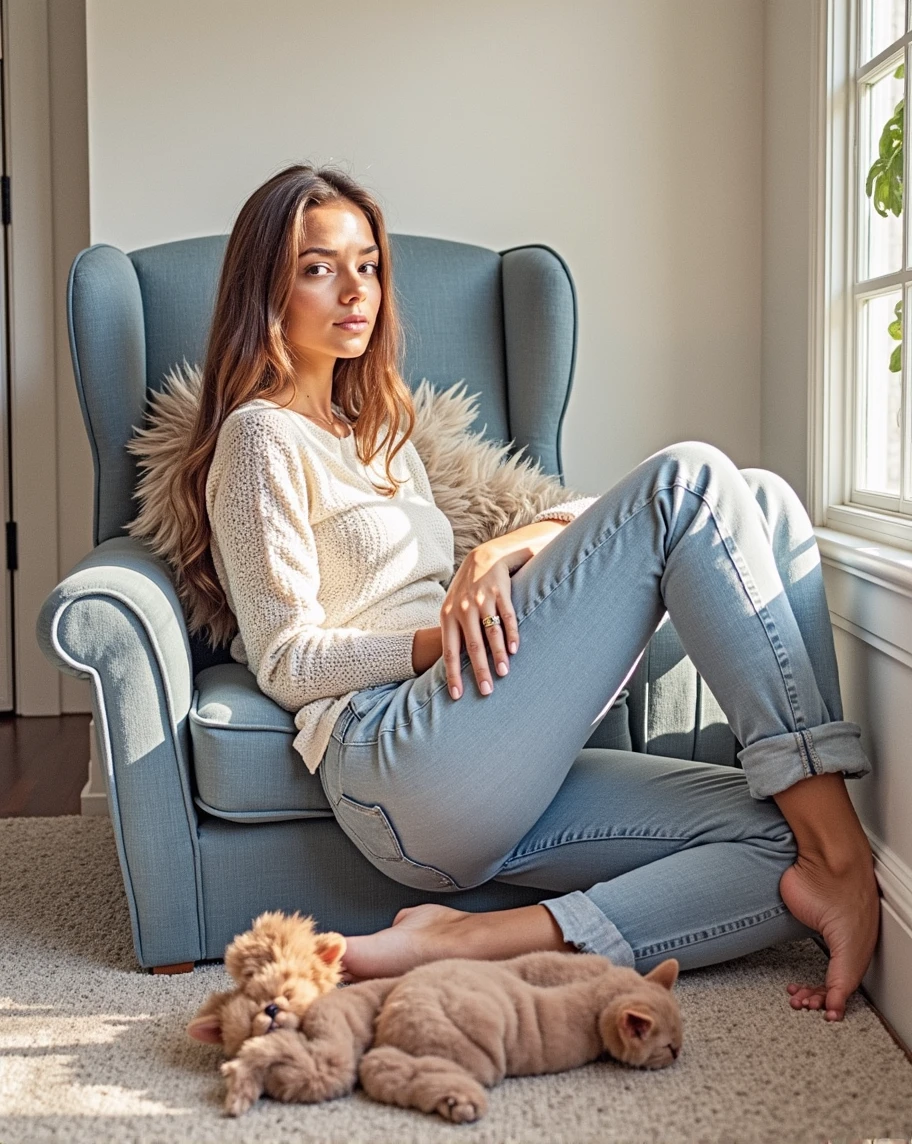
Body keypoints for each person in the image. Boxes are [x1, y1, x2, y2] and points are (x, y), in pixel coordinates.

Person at [175, 163, 880, 1025]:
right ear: (267, 288)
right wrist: (438, 638)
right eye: (320, 267)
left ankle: (471, 941)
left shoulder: (384, 438)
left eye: (368, 265)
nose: (355, 290)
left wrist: (506, 545)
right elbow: (286, 661)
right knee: (692, 482)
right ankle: (847, 858)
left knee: (778, 840)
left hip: (496, 747)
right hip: (395, 755)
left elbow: (574, 519)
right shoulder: (260, 438)